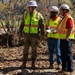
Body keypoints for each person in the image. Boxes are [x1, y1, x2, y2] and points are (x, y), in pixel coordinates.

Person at [18, 0, 44, 68]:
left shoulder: (39, 15)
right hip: (26, 35)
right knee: (25, 50)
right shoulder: (25, 14)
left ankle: (33, 64)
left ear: (34, 7)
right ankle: (24, 63)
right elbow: (22, 24)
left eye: (30, 7)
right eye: (28, 7)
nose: (29, 8)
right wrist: (20, 32)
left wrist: (42, 35)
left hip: (35, 36)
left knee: (34, 51)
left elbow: (42, 26)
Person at [58, 4, 74, 75]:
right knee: (63, 54)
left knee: (68, 55)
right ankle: (64, 69)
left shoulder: (68, 18)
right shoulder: (63, 18)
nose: (60, 11)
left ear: (64, 10)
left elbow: (70, 28)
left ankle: (70, 70)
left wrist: (67, 37)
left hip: (67, 39)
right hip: (62, 39)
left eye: (61, 10)